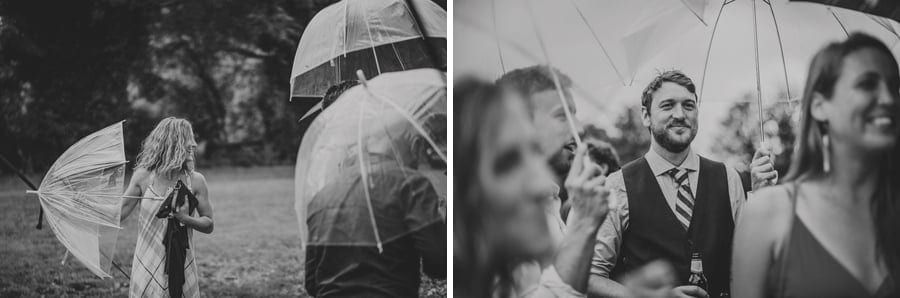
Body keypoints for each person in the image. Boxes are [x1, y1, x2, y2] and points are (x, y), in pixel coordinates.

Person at [580, 70, 775, 298]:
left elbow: (751, 262)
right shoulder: (617, 185)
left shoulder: (728, 177)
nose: (680, 114)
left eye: (689, 106)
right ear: (646, 116)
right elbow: (590, 276)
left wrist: (762, 197)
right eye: (668, 105)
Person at [733, 32, 900, 298]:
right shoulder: (769, 213)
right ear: (821, 107)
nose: (889, 99)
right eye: (868, 85)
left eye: (895, 86)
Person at [454, 78, 611, 297]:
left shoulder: (551, 201)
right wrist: (583, 225)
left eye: (534, 150)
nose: (578, 127)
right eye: (507, 162)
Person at [304, 118, 446, 297]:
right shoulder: (411, 185)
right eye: (421, 145)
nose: (419, 158)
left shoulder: (321, 196)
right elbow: (440, 266)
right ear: (414, 144)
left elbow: (312, 282)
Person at [121, 117, 214, 298]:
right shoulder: (143, 176)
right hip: (146, 261)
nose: (193, 144)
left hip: (181, 262)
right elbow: (120, 213)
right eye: (188, 138)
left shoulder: (196, 180)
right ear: (173, 142)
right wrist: (84, 207)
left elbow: (209, 224)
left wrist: (186, 219)